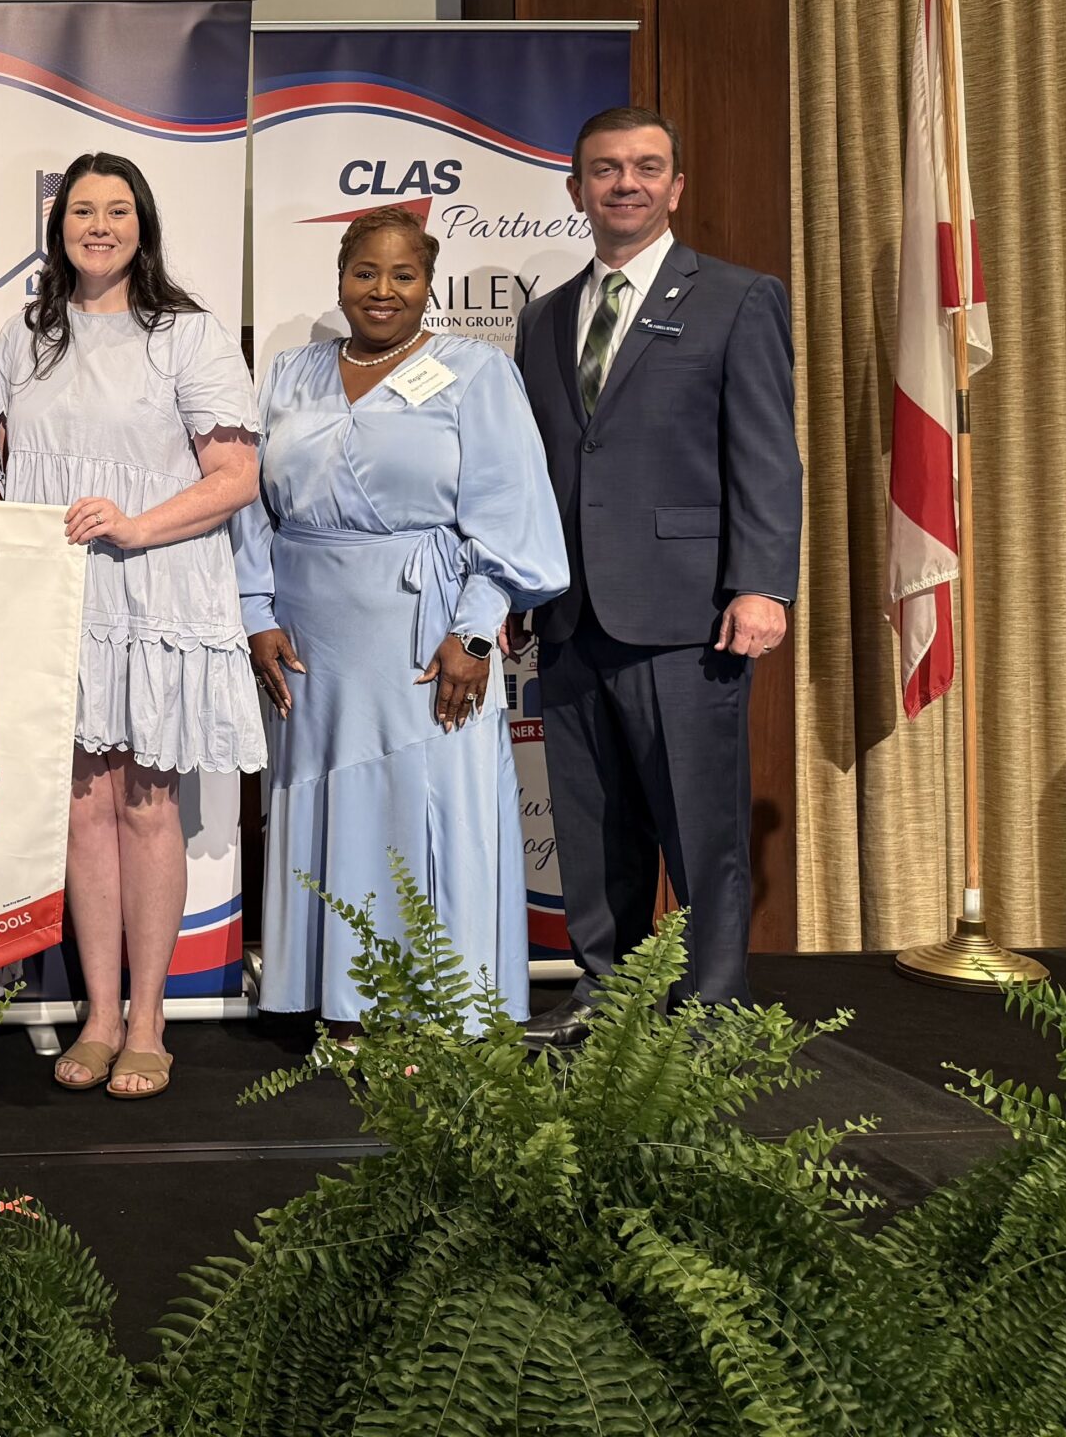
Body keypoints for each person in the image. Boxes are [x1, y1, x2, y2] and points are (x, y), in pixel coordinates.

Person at [232, 206, 568, 1040]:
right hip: (310, 639)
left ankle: (436, 1006)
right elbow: (252, 509)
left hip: (428, 629)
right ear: (340, 276)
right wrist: (255, 609)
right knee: (329, 806)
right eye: (365, 273)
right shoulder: (289, 374)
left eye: (403, 275)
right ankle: (335, 1003)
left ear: (429, 283)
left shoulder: (476, 374)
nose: (382, 291)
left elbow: (511, 510)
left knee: (429, 801)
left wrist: (478, 630)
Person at [511, 106, 801, 1039]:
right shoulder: (546, 318)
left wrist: (764, 583)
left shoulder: (737, 296)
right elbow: (547, 468)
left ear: (677, 188)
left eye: (645, 168)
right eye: (604, 169)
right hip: (570, 615)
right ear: (575, 190)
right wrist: (524, 588)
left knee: (702, 825)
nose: (624, 183)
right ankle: (608, 995)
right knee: (594, 830)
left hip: (690, 616)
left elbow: (766, 455)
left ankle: (710, 1009)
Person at [0, 152, 266, 1101]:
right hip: (58, 600)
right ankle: (98, 1016)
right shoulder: (22, 337)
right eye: (80, 211)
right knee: (79, 807)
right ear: (57, 225)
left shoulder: (187, 336)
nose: (97, 227)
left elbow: (236, 479)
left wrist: (136, 526)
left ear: (142, 225)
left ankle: (149, 1018)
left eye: (116, 211)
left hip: (156, 592)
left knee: (149, 805)